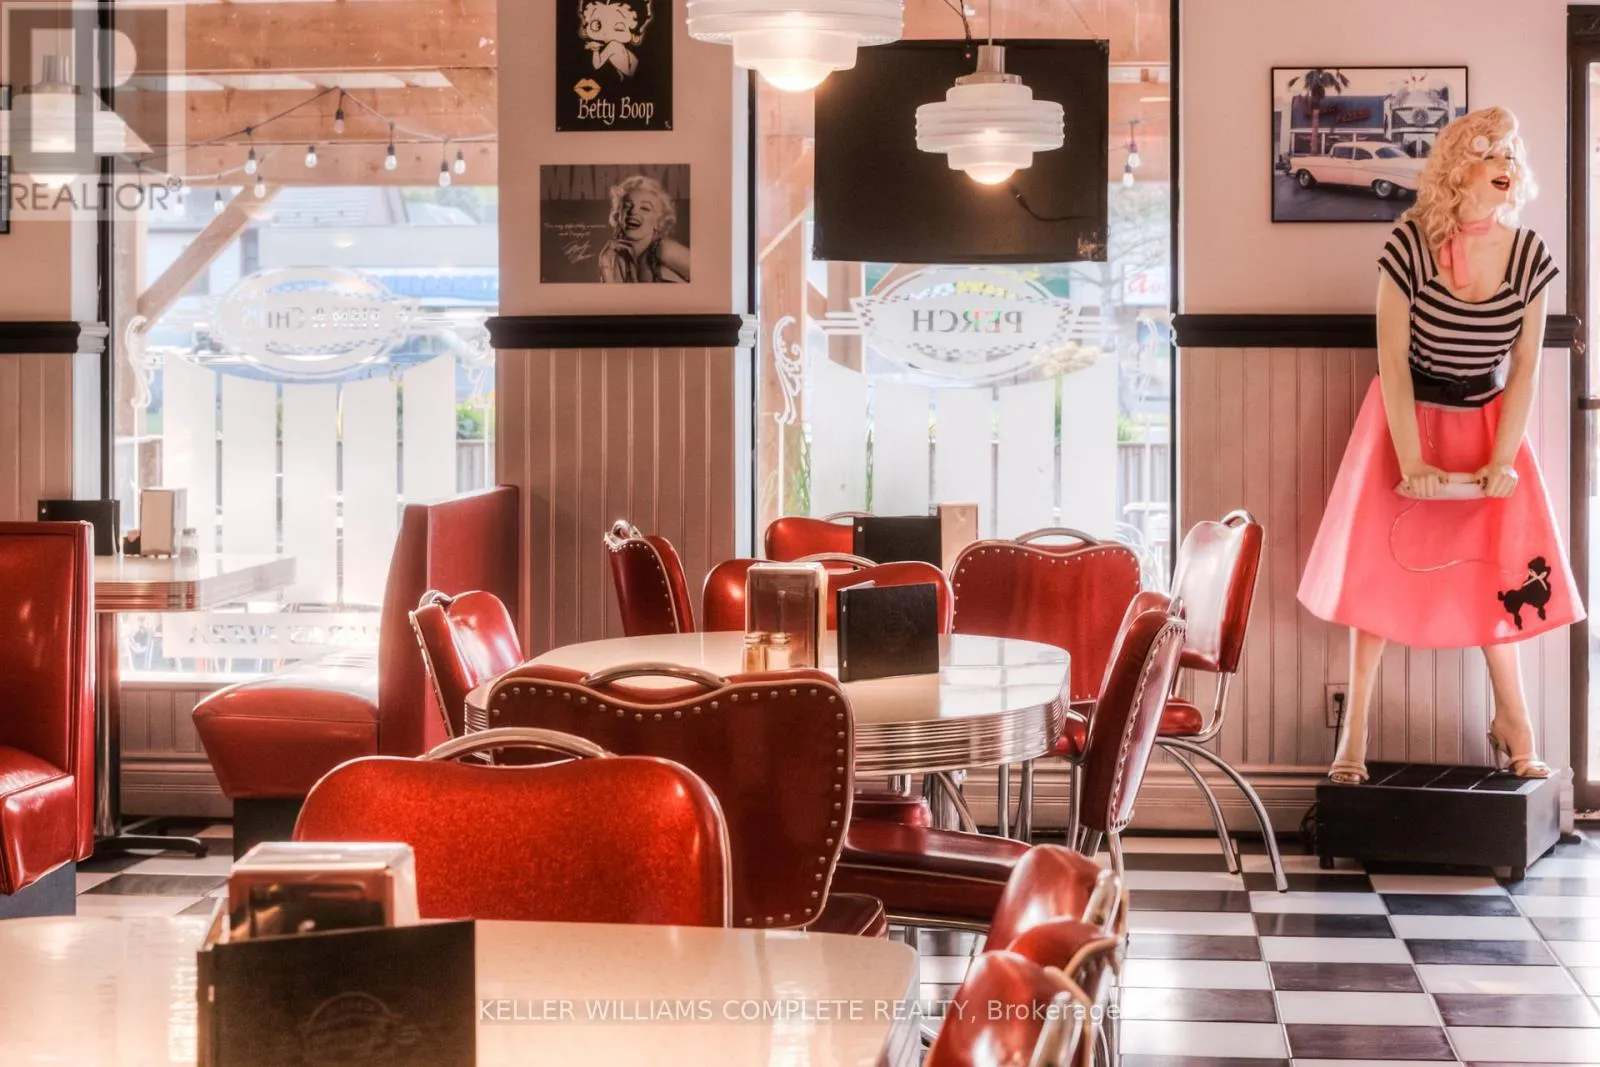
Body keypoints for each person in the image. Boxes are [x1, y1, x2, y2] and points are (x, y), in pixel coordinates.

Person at [1298, 106, 1581, 783]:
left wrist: (1503, 457)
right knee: (1376, 572)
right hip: (1407, 421)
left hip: (1486, 424)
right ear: (1460, 166)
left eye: (1511, 152)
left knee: (1497, 570)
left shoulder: (1529, 255)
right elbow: (1392, 361)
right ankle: (1354, 732)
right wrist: (1411, 458)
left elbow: (1525, 368)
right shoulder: (1410, 243)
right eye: (1491, 152)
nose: (1506, 163)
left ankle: (1514, 721)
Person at [597, 175, 690, 283]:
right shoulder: (616, 258)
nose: (633, 212)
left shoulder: (664, 250)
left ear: (659, 222)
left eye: (645, 208)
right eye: (627, 206)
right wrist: (606, 263)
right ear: (618, 214)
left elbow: (705, 276)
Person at [580, 0, 648, 79]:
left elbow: (597, 65)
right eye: (597, 25)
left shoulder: (614, 45)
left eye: (618, 28)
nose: (605, 32)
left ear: (634, 33)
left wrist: (595, 51)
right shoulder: (619, 48)